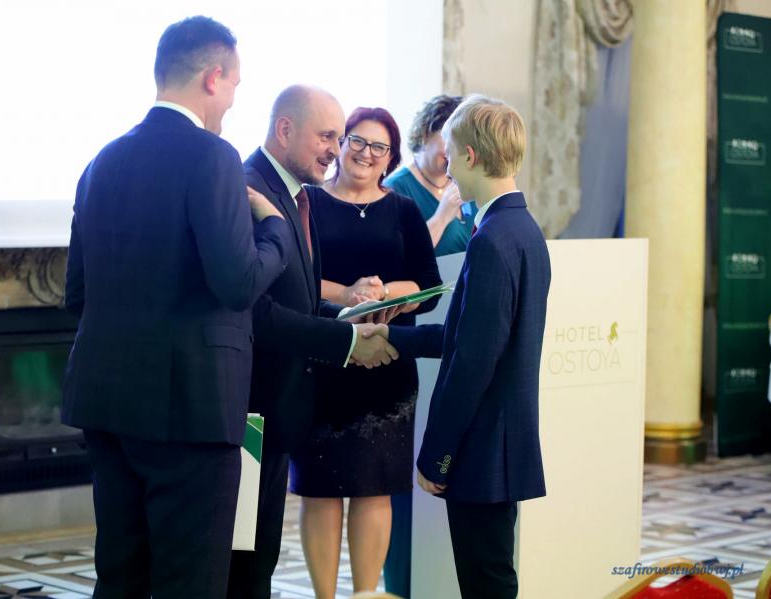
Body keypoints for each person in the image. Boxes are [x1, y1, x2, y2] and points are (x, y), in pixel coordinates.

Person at [62, 17, 290, 599]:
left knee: (121, 578)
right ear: (213, 77)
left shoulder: (102, 161)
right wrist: (275, 230)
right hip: (191, 409)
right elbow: (238, 283)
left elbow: (77, 293)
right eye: (235, 85)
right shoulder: (212, 156)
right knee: (191, 583)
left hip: (107, 402)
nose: (233, 100)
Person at [226, 85, 398, 599]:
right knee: (241, 563)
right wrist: (345, 341)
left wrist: (350, 320)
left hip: (278, 410)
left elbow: (299, 301)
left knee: (259, 557)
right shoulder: (247, 190)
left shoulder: (298, 195)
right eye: (327, 137)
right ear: (285, 129)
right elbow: (257, 311)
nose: (335, 150)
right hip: (247, 410)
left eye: (339, 138)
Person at [380, 96, 550, 598]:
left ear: (471, 156)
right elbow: (465, 335)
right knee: (492, 579)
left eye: (451, 153)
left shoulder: (492, 239)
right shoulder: (523, 229)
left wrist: (436, 456)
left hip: (481, 449)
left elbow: (473, 363)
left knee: (486, 585)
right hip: (500, 442)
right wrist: (390, 335)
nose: (447, 164)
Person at [290, 107, 442, 599]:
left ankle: (365, 594)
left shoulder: (404, 210)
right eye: (356, 140)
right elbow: (295, 277)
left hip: (386, 366)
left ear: (390, 157)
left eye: (379, 146)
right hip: (323, 361)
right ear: (341, 144)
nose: (365, 153)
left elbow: (428, 285)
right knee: (320, 489)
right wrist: (349, 293)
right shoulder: (308, 201)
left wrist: (384, 293)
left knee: (375, 487)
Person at [385, 95, 476, 257]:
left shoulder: (466, 180)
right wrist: (441, 217)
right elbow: (396, 258)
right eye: (451, 139)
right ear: (425, 135)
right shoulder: (395, 188)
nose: (458, 150)